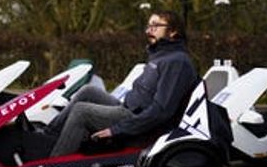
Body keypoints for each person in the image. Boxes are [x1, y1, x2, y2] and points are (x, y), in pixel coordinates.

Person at [47, 9, 198, 157]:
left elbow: (161, 111)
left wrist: (116, 130)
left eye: (156, 26)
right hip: (128, 109)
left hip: (138, 123)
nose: (149, 30)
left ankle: (50, 165)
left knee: (82, 111)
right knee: (88, 91)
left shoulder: (177, 62)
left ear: (172, 32)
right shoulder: (161, 55)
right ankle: (48, 135)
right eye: (148, 26)